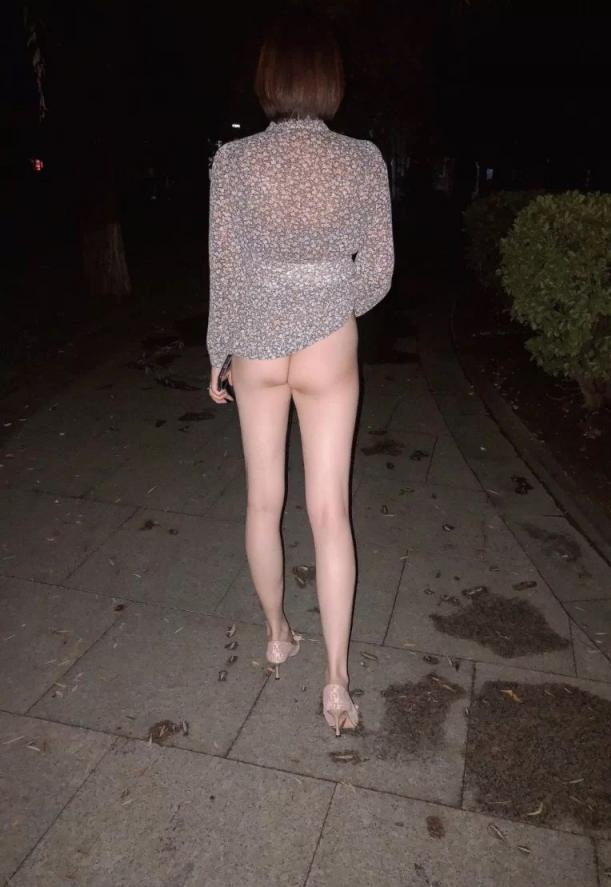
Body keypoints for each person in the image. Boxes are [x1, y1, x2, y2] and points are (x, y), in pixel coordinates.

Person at [206, 11, 394, 736]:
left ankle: (278, 634)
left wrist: (218, 350)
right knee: (329, 511)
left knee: (263, 502)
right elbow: (377, 272)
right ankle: (337, 684)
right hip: (327, 346)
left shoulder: (234, 162)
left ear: (269, 79)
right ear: (328, 81)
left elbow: (225, 271)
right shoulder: (363, 160)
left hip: (256, 338)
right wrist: (325, 302)